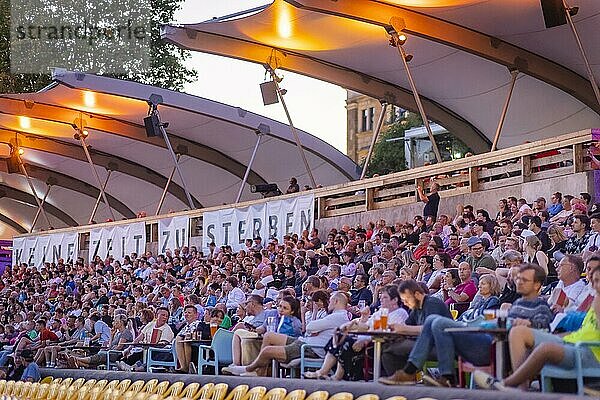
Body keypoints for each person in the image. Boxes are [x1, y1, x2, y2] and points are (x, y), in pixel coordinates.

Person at [379, 263, 553, 386]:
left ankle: (423, 373)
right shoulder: (516, 304)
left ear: (537, 284)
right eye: (519, 279)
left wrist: (528, 323)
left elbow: (545, 327)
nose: (519, 282)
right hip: (487, 340)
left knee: (436, 321)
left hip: (496, 350)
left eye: (524, 280)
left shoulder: (541, 305)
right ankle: (445, 376)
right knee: (434, 321)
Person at [474, 258, 600, 391]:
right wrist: (562, 335)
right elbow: (587, 329)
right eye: (595, 280)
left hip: (588, 351)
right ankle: (520, 387)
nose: (595, 284)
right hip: (573, 341)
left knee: (545, 348)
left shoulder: (595, 302)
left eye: (599, 281)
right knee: (518, 332)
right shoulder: (596, 299)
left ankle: (508, 384)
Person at [223, 292, 350, 376]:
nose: (329, 303)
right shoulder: (335, 317)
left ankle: (250, 369)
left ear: (337, 302)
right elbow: (311, 329)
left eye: (332, 300)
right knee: (269, 336)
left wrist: (315, 328)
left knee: (267, 351)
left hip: (310, 349)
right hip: (304, 342)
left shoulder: (338, 317)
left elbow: (310, 326)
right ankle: (259, 371)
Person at [304, 285, 408, 380]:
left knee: (347, 341)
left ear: (394, 300)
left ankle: (337, 375)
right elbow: (367, 326)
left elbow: (386, 332)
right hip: (373, 340)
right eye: (381, 296)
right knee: (340, 336)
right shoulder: (381, 312)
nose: (381, 299)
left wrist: (364, 340)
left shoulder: (400, 313)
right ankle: (324, 371)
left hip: (385, 343)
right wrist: (357, 321)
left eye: (384, 297)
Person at [379, 280, 452, 380]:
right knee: (387, 350)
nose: (405, 303)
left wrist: (403, 328)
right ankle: (402, 382)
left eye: (407, 299)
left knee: (391, 348)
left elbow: (429, 329)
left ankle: (405, 377)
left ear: (417, 294)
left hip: (440, 346)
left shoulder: (432, 303)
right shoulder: (416, 309)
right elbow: (407, 325)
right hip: (424, 344)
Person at [174, 305, 202, 374]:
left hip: (195, 345)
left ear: (196, 315)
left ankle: (187, 366)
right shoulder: (185, 326)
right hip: (182, 344)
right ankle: (183, 366)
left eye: (189, 313)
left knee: (185, 339)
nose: (186, 314)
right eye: (185, 312)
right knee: (178, 338)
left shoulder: (199, 324)